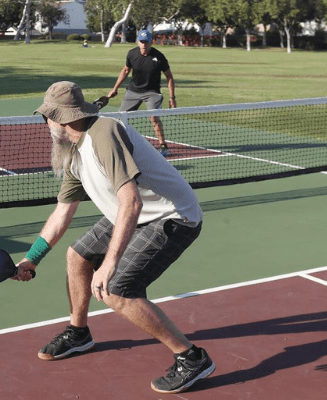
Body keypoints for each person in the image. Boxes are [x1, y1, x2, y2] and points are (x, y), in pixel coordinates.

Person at [15, 81, 214, 394]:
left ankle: (191, 358)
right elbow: (61, 214)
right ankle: (78, 332)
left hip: (173, 217)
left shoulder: (104, 133)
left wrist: (109, 263)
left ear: (64, 118)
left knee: (116, 288)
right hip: (133, 216)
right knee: (77, 256)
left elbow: (131, 201)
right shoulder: (72, 153)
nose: (46, 122)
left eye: (47, 116)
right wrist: (32, 258)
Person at [107, 29, 176, 157]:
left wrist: (172, 97)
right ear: (138, 42)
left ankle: (163, 146)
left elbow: (169, 77)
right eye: (142, 42)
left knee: (153, 117)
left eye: (147, 42)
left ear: (151, 42)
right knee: (120, 117)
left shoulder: (159, 57)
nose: (144, 45)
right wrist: (115, 88)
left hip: (152, 93)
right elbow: (126, 70)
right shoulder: (132, 54)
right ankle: (117, 144)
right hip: (133, 91)